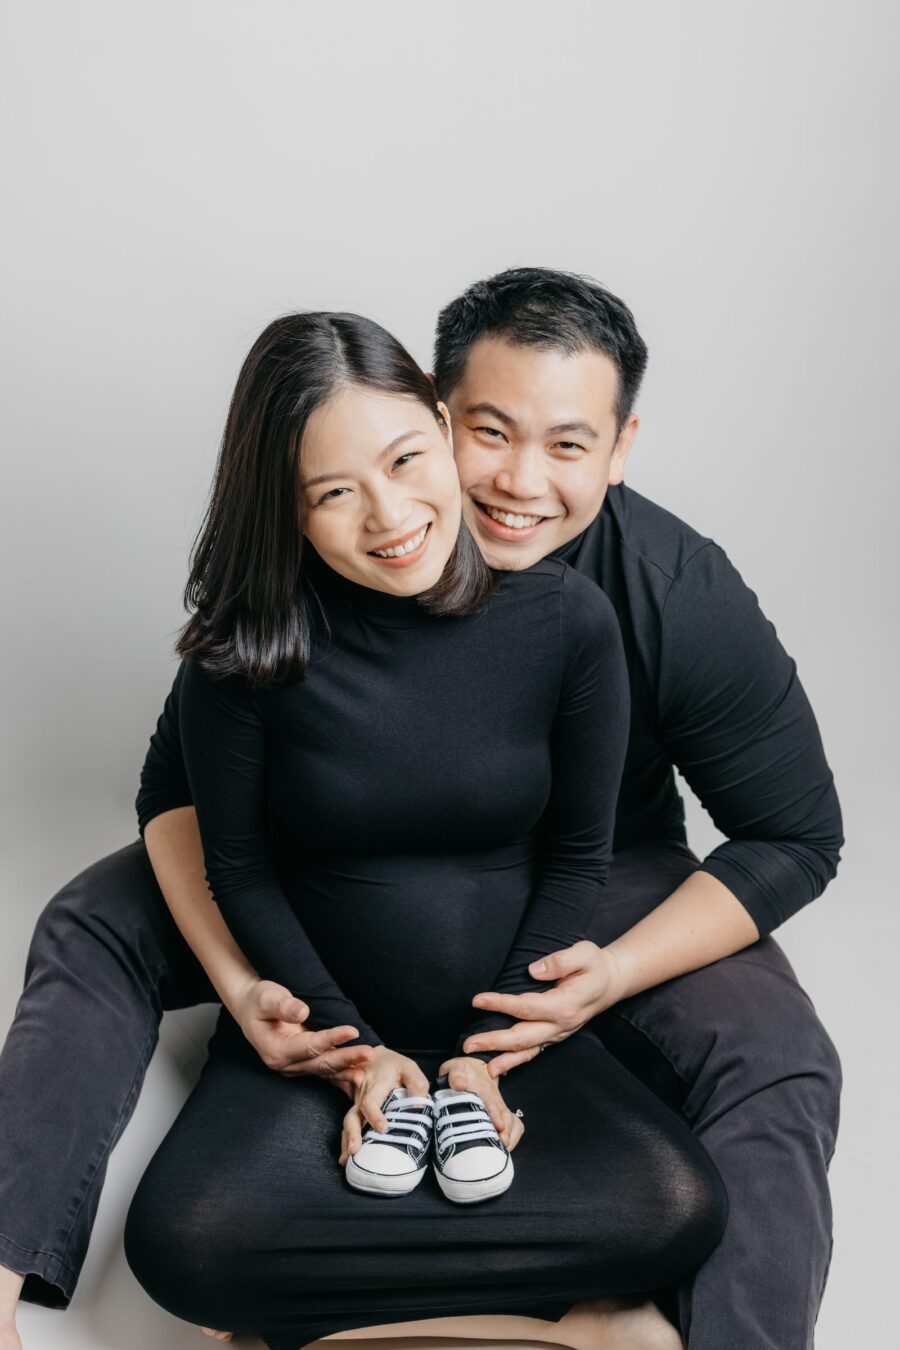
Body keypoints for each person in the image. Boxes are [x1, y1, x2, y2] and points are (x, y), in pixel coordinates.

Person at [0, 267, 841, 1350]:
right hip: (323, 861)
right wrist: (243, 978)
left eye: (569, 445)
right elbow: (181, 802)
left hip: (590, 870)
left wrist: (611, 976)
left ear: (622, 449)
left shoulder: (658, 592)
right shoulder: (305, 571)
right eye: (490, 432)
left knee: (778, 1050)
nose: (517, 482)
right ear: (438, 411)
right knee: (93, 917)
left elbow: (797, 836)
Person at [118, 309, 725, 1349]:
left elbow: (578, 852)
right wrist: (352, 1055)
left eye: (406, 459)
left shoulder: (569, 625)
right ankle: (559, 1322)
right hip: (322, 1035)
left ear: (444, 429)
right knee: (184, 1242)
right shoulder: (243, 653)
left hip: (507, 1039)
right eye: (333, 493)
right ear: (291, 513)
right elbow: (242, 867)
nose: (390, 515)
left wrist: (489, 1057)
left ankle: (363, 1320)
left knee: (677, 1207)